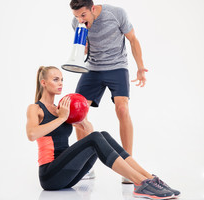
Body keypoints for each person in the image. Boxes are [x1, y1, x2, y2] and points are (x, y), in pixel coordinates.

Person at [26, 66, 180, 199]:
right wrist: (62, 118)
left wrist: (84, 123)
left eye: (62, 80)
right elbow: (32, 134)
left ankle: (149, 178)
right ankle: (140, 182)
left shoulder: (60, 108)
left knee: (102, 134)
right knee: (95, 138)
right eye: (56, 80)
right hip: (50, 176)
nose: (60, 83)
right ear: (43, 83)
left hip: (67, 173)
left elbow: (93, 136)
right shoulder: (36, 108)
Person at [70, 0, 147, 183]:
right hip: (93, 69)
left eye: (83, 15)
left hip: (117, 67)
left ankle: (128, 167)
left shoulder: (116, 14)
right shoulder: (77, 24)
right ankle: (85, 166)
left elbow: (133, 39)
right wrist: (82, 45)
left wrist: (140, 68)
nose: (80, 19)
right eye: (76, 16)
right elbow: (84, 51)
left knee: (122, 109)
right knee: (78, 112)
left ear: (93, 9)